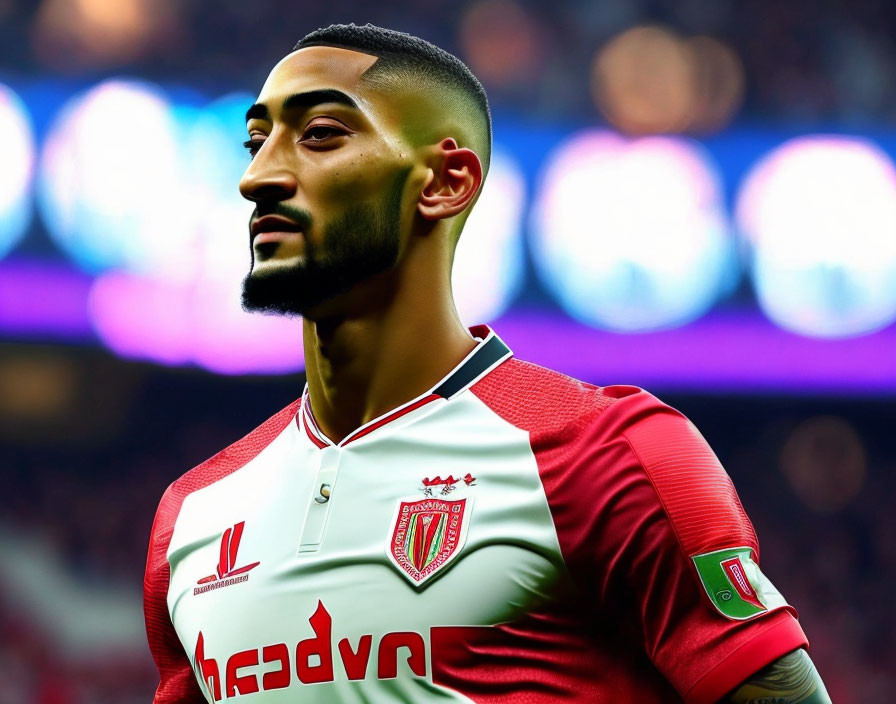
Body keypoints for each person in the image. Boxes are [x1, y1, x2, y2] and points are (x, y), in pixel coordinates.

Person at [144, 23, 831, 704]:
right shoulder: (193, 516)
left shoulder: (607, 453)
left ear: (444, 181)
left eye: (320, 134)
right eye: (255, 140)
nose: (258, 176)